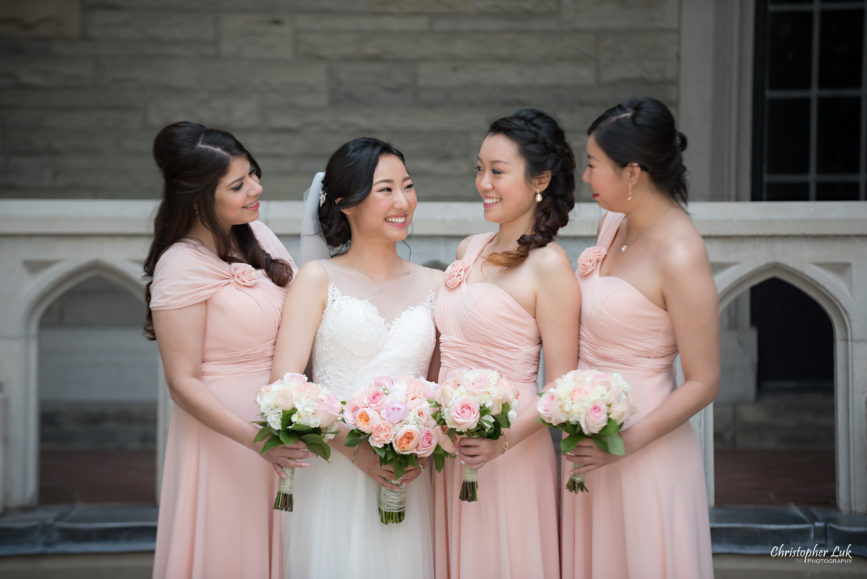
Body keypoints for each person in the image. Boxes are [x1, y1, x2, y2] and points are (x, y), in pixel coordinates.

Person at [271, 137, 444, 579]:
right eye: (385, 189)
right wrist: (358, 453)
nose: (403, 201)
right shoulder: (318, 279)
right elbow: (286, 389)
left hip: (407, 474)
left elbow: (442, 387)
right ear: (345, 202)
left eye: (407, 185)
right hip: (334, 474)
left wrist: (421, 443)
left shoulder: (437, 285)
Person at [562, 96, 718, 578]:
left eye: (593, 165)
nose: (586, 177)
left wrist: (625, 442)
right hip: (589, 440)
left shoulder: (680, 253)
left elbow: (704, 380)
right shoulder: (612, 223)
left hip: (645, 446)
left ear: (632, 173)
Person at [144, 121, 308, 579]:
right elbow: (182, 382)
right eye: (238, 185)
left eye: (252, 173)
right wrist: (258, 442)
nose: (256, 188)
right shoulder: (179, 266)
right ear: (197, 196)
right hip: (226, 437)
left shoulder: (257, 235)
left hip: (283, 423)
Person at [433, 109, 580, 579]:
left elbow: (561, 387)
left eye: (497, 171)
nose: (483, 183)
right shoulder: (467, 250)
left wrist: (499, 442)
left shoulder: (549, 265)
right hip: (446, 443)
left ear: (540, 179)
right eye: (479, 169)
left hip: (510, 448)